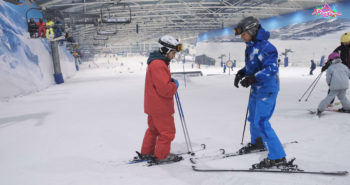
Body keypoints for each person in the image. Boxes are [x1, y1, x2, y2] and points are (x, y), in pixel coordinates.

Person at [233, 16, 287, 168]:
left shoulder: (267, 47)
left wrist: (252, 78)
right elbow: (253, 66)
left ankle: (278, 157)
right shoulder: (251, 46)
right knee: (253, 119)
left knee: (262, 121)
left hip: (267, 88)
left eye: (243, 34)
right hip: (256, 88)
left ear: (252, 30)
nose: (242, 38)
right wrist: (242, 72)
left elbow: (271, 69)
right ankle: (258, 143)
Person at [139, 35, 182, 163]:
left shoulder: (156, 62)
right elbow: (165, 90)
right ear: (165, 50)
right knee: (167, 132)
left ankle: (147, 152)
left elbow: (159, 84)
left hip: (153, 106)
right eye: (173, 52)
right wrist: (174, 85)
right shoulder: (159, 64)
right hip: (161, 107)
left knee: (153, 130)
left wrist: (169, 81)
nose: (174, 56)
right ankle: (162, 156)